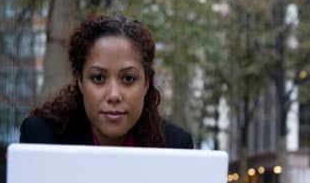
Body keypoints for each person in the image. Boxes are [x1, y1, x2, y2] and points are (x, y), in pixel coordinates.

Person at [20, 14, 193, 149]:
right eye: (98, 78)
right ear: (80, 81)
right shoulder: (41, 137)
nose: (114, 95)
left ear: (146, 83)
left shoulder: (176, 145)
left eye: (128, 79)